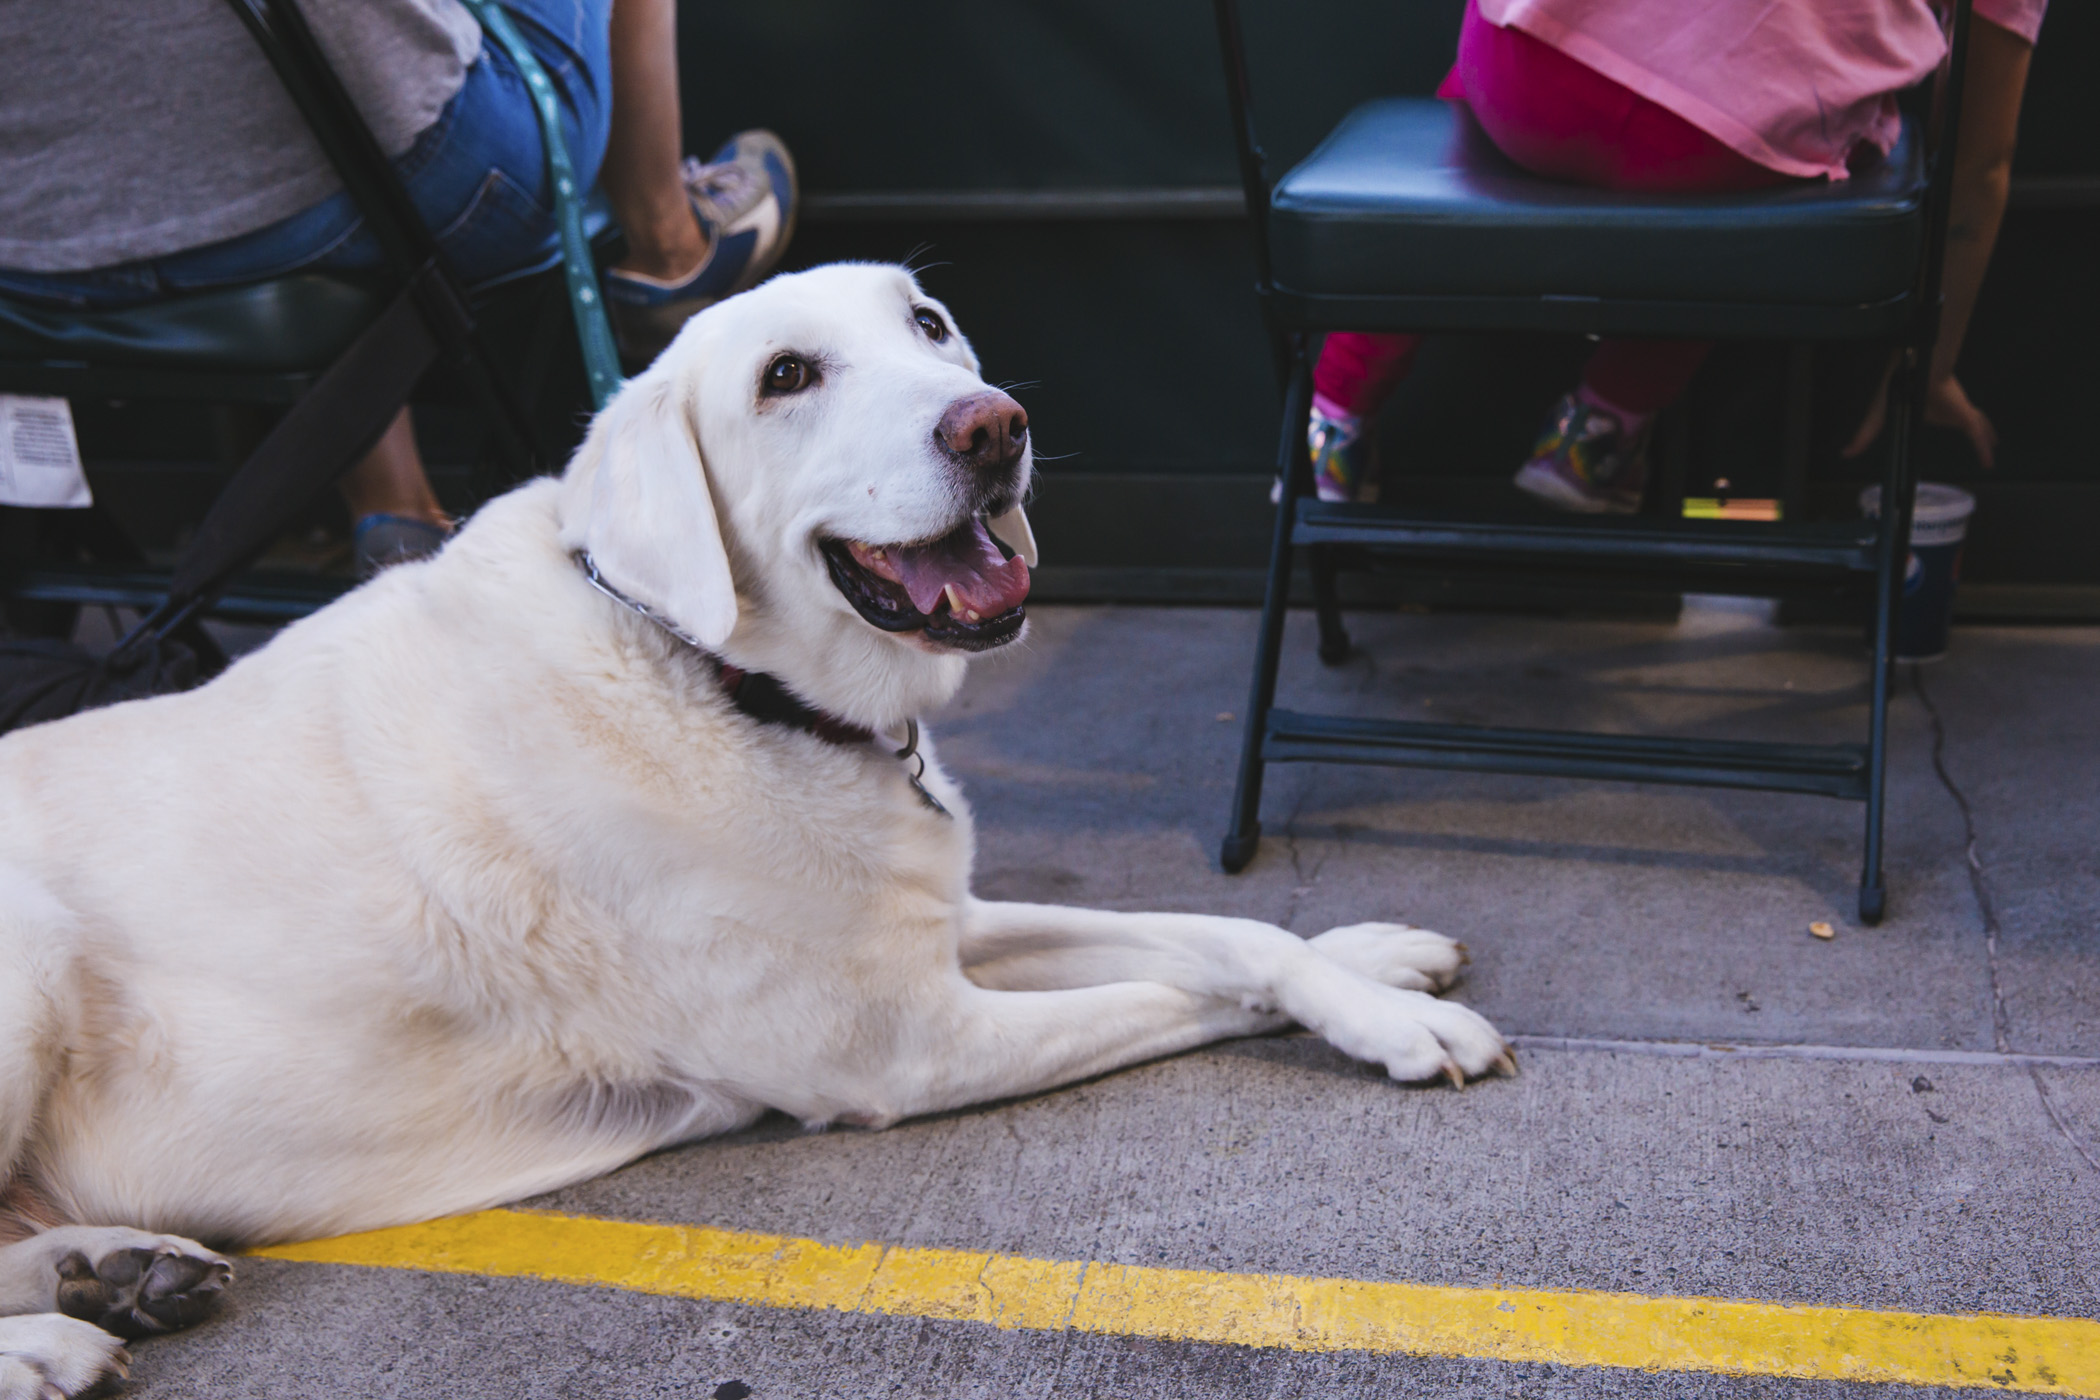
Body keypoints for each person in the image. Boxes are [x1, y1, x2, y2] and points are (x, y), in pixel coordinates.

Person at [0, 0, 797, 574]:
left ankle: (394, 508)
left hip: (34, 249)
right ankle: (670, 248)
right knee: (351, 117)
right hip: (383, 177)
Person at [1305, 0, 2046, 512]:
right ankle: (1600, 432)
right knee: (1800, 150)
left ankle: (1334, 416)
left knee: (1519, 55)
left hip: (1522, 79)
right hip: (1716, 149)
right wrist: (1932, 367)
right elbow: (1978, 163)